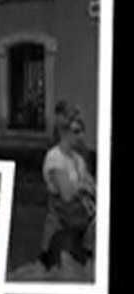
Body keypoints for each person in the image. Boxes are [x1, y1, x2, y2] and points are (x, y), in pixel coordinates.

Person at [40, 102, 96, 273]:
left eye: (82, 131)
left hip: (81, 220)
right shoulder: (55, 158)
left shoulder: (78, 159)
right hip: (62, 225)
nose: (81, 136)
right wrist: (82, 186)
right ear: (64, 132)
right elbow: (67, 194)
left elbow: (93, 188)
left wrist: (84, 187)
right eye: (76, 132)